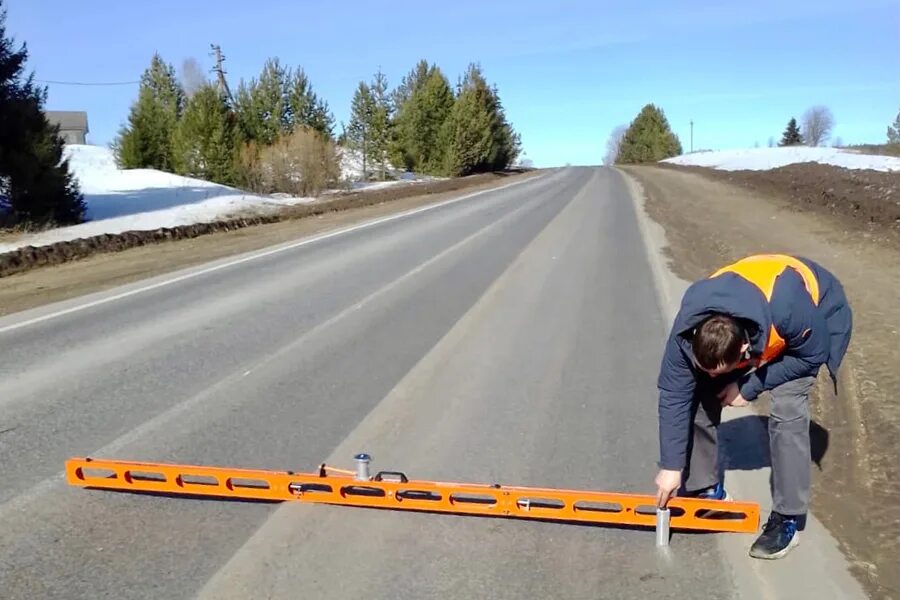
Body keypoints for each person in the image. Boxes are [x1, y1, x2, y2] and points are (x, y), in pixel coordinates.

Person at [653, 253, 852, 559]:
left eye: (722, 369)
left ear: (745, 350)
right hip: (757, 315)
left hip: (811, 324)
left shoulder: (788, 308)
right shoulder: (687, 327)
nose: (713, 374)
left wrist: (749, 385)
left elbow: (813, 354)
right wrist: (671, 466)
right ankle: (706, 491)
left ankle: (787, 520)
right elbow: (673, 394)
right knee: (702, 389)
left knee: (787, 410)